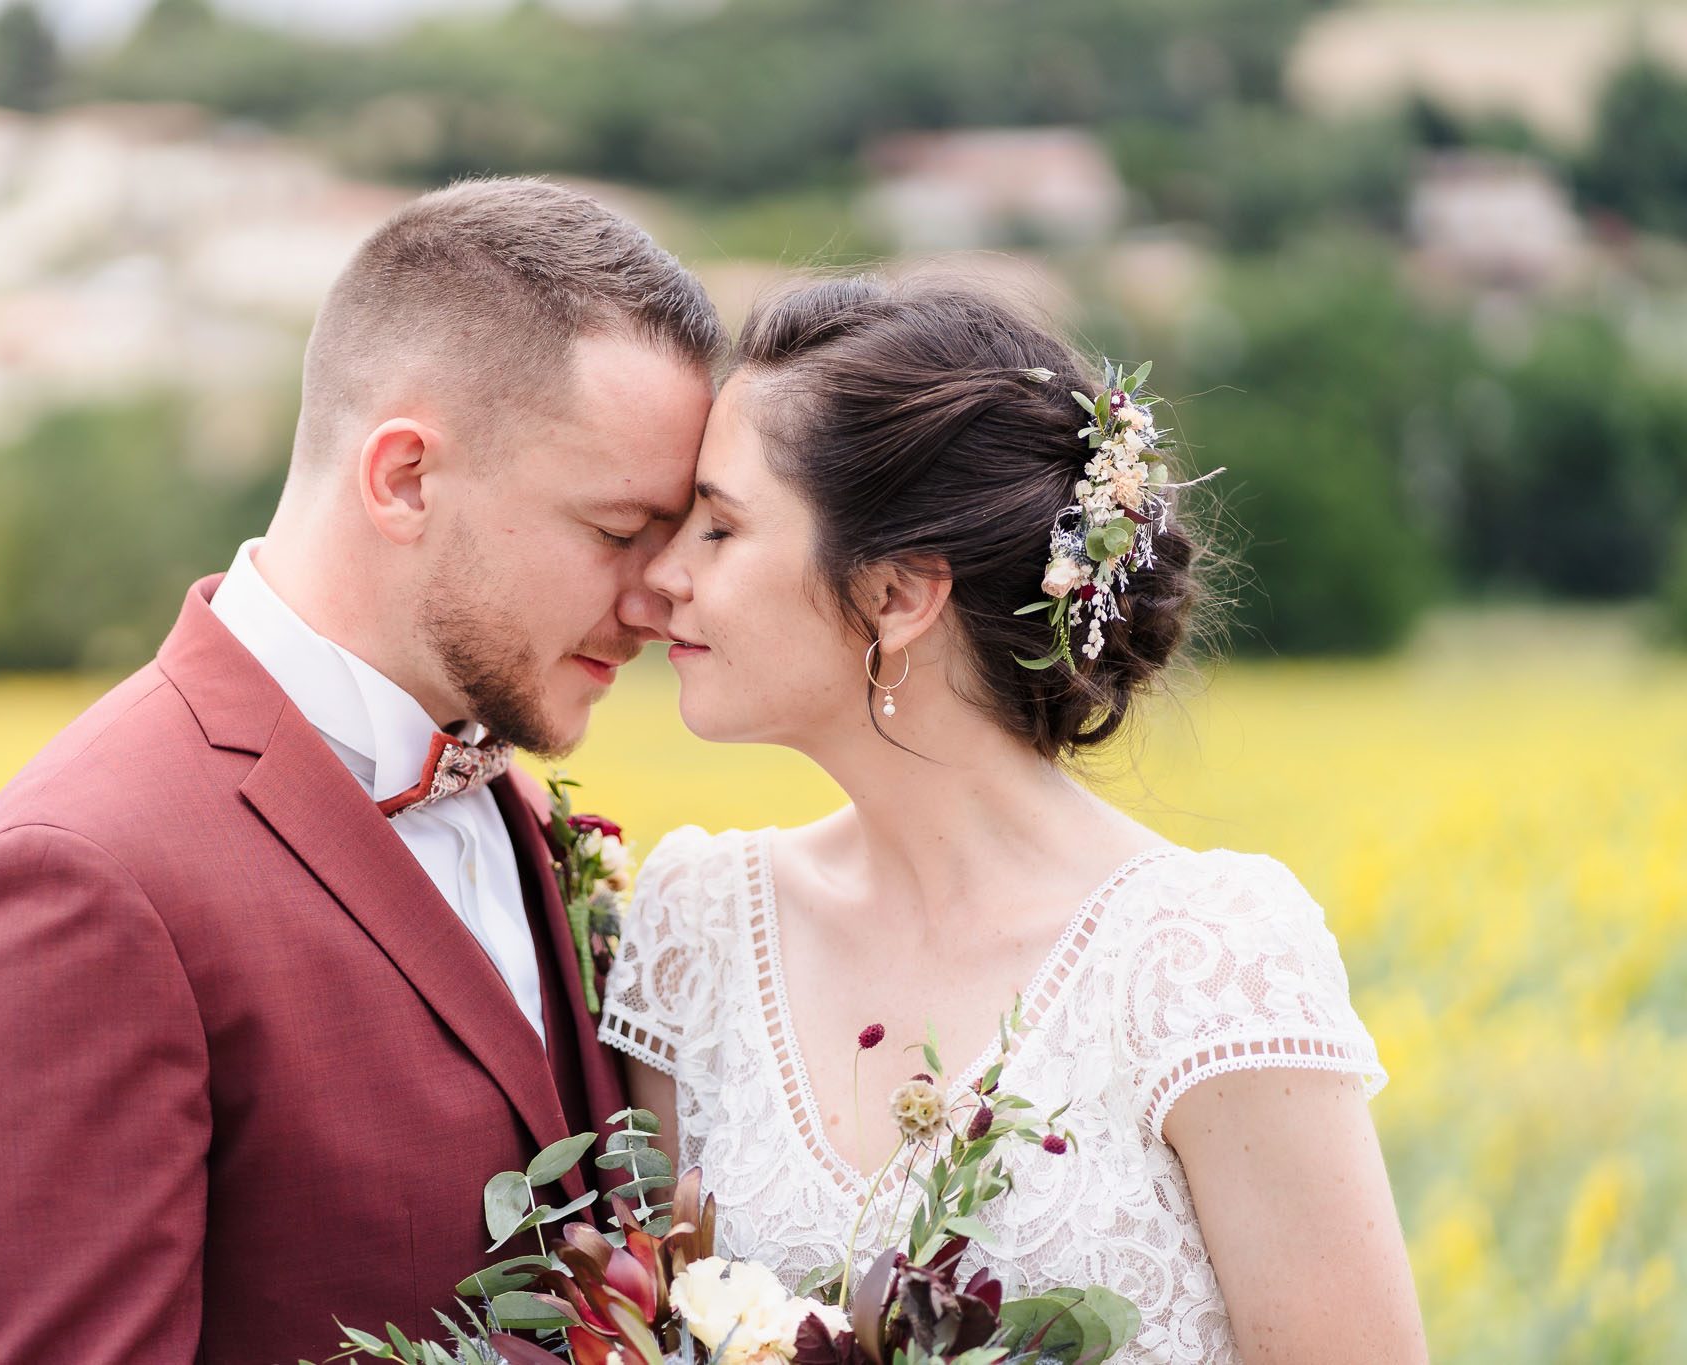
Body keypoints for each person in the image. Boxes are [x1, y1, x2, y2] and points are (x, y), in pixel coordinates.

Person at [0, 177, 724, 1363]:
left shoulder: (515, 798)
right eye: (616, 531)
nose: (653, 600)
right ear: (404, 478)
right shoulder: (78, 882)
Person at [600, 275, 1429, 1363]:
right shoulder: (693, 926)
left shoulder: (1203, 962)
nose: (660, 576)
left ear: (896, 595)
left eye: (718, 526)